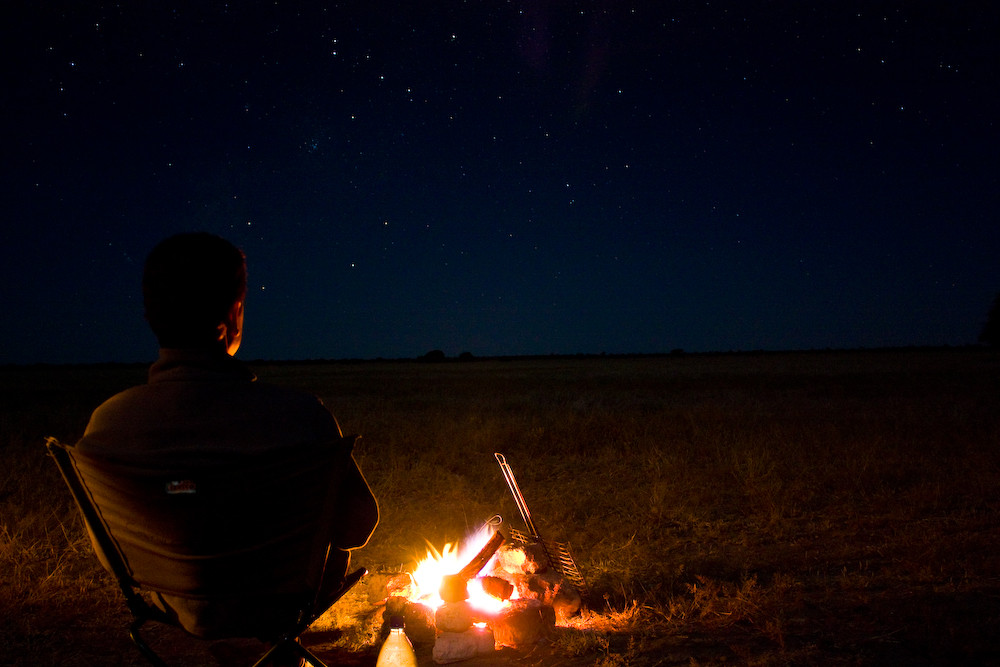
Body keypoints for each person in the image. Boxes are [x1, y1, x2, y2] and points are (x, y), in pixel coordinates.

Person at [76, 232, 378, 649]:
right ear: (233, 316)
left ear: (150, 316)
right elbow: (357, 526)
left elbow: (108, 547)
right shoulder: (300, 415)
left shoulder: (107, 422)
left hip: (174, 600)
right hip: (281, 600)